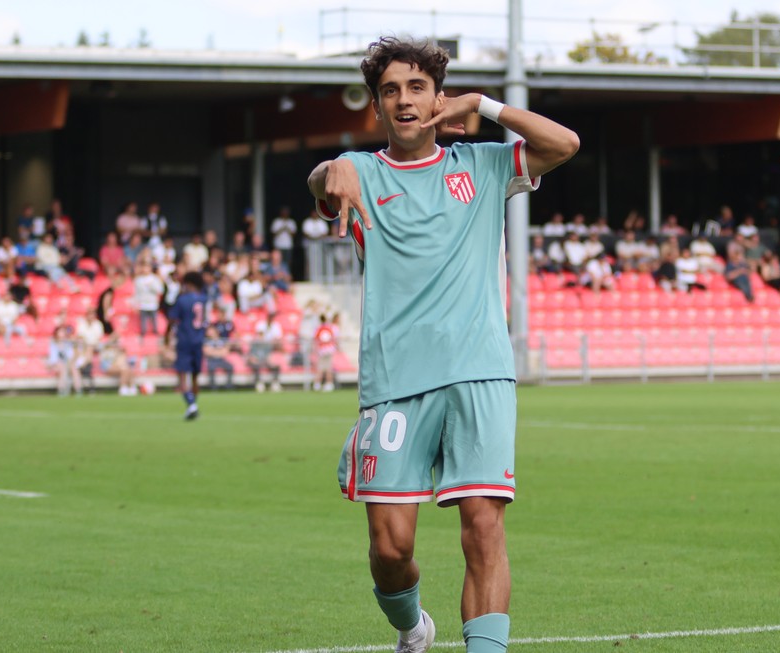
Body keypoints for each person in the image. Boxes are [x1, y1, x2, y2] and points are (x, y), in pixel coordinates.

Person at [307, 36, 578, 653]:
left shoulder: (481, 165)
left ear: (438, 95)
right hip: (395, 379)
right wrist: (333, 167)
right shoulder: (362, 173)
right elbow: (317, 184)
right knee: (390, 549)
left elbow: (564, 145)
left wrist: (484, 104)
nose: (405, 101)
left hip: (480, 372)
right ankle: (412, 627)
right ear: (377, 106)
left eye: (417, 87)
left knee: (483, 530)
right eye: (391, 91)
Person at [166, 271, 207, 420]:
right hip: (199, 340)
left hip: (185, 340)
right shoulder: (203, 299)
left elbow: (172, 319)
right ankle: (193, 406)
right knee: (195, 376)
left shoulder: (182, 300)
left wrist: (167, 337)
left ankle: (191, 405)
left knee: (182, 375)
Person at [247, 312, 283, 392]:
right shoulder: (255, 343)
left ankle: (275, 383)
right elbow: (251, 355)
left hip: (264, 360)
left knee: (275, 366)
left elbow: (268, 355)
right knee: (256, 366)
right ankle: (259, 383)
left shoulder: (267, 344)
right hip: (257, 360)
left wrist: (269, 360)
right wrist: (253, 358)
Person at [313, 313, 338, 392]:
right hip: (329, 350)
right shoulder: (329, 328)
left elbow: (316, 339)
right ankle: (328, 384)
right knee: (328, 368)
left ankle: (317, 384)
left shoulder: (318, 329)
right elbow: (334, 338)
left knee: (321, 368)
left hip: (322, 350)